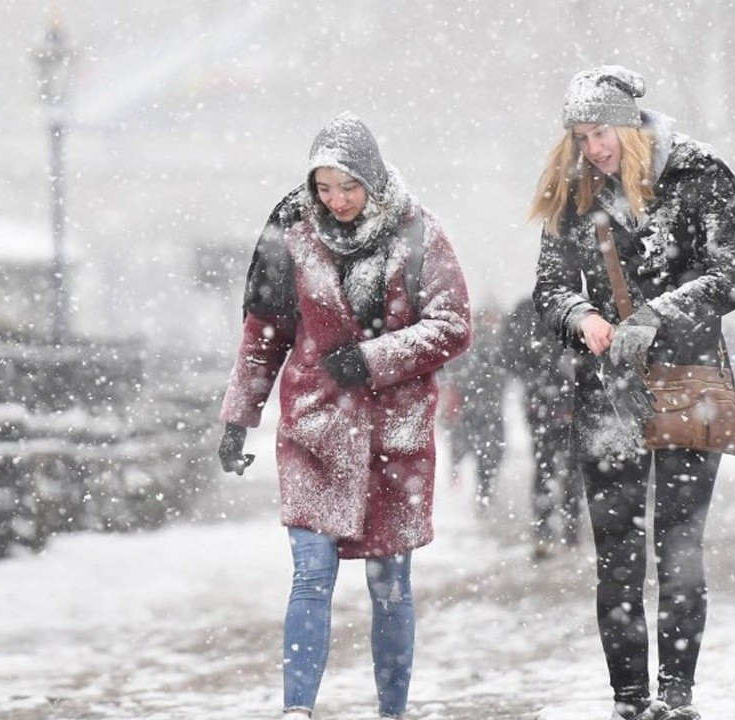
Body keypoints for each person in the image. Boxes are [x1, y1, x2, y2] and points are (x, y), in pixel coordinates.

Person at [217, 112, 472, 720]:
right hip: (314, 430)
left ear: (374, 180)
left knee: (390, 588)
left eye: (349, 187)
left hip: (394, 441)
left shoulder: (418, 235)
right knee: (310, 576)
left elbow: (453, 325)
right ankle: (296, 711)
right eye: (325, 188)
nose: (337, 201)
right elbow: (265, 333)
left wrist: (373, 359)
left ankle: (392, 711)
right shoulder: (291, 234)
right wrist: (238, 416)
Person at [530, 66, 735, 720]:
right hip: (611, 393)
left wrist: (652, 317)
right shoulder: (573, 196)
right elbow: (549, 289)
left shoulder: (698, 175)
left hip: (691, 381)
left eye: (601, 132)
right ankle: (629, 700)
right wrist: (583, 318)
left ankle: (676, 698)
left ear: (629, 122)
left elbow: (729, 278)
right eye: (581, 135)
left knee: (679, 545)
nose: (593, 147)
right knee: (617, 557)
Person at [503, 296, 585, 560]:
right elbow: (510, 354)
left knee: (548, 464)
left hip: (546, 402)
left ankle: (548, 531)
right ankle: (564, 530)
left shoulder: (529, 309)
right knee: (565, 465)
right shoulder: (579, 307)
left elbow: (509, 354)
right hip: (559, 400)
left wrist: (535, 377)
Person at [439, 304, 509, 509]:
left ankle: (481, 491)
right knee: (477, 451)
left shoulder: (497, 343)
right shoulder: (475, 343)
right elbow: (454, 371)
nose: (491, 322)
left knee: (486, 453)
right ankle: (474, 490)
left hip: (484, 408)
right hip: (473, 408)